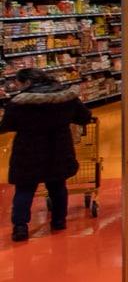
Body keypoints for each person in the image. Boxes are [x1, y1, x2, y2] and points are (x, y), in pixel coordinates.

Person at [2, 66, 94, 242]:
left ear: (27, 82)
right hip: (59, 149)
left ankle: (20, 227)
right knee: (58, 186)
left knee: (24, 189)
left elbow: (7, 125)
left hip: (28, 151)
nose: (17, 86)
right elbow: (84, 117)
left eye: (18, 83)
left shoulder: (18, 103)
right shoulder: (66, 97)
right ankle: (59, 221)